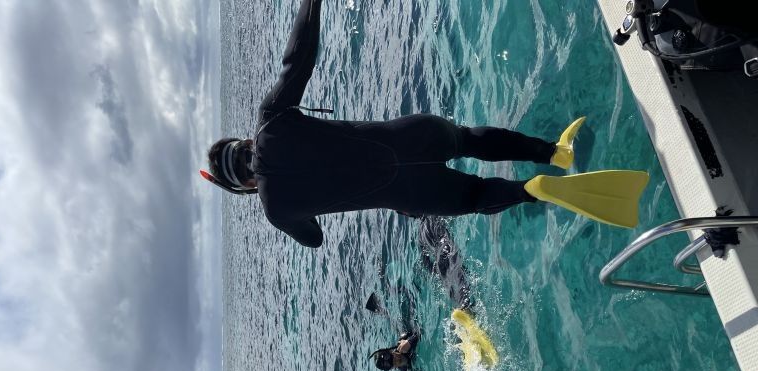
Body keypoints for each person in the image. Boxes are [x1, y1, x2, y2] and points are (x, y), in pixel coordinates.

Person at [202, 0, 647, 248]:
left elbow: (314, 239)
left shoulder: (276, 210)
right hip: (411, 134)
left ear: (241, 187)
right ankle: (554, 152)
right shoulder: (271, 121)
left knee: (474, 196)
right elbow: (299, 55)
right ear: (241, 142)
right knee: (468, 139)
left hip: (411, 194)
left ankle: (528, 190)